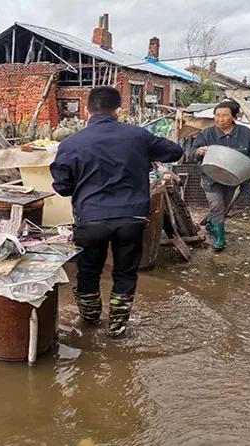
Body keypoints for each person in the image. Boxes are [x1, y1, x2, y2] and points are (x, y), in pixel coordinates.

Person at [50, 86, 184, 337]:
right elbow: (175, 152)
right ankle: (117, 328)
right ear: (118, 110)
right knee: (125, 271)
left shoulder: (71, 143)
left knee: (89, 271)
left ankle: (90, 320)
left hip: (90, 219)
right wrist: (145, 155)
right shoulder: (138, 136)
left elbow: (63, 188)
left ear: (87, 111)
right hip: (131, 218)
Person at [192, 100, 250, 251]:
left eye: (224, 115)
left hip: (232, 177)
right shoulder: (207, 133)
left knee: (222, 206)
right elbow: (192, 152)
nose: (220, 119)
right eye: (217, 115)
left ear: (234, 117)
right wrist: (199, 152)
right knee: (217, 205)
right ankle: (220, 238)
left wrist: (248, 170)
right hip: (210, 177)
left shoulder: (246, 134)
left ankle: (212, 224)